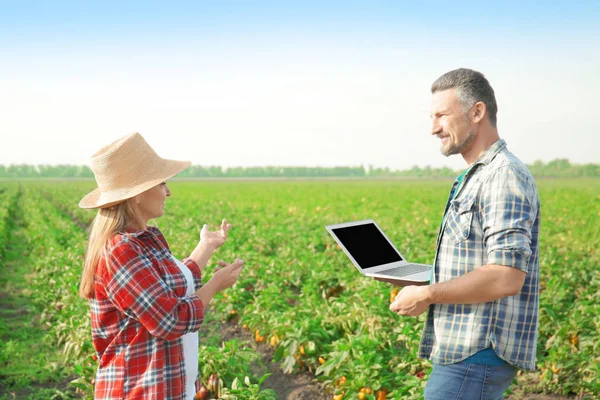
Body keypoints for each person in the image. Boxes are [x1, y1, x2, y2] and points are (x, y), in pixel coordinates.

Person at [388, 69, 541, 399]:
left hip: (477, 352)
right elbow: (477, 264)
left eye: (442, 115)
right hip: (464, 351)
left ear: (477, 112)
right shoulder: (473, 176)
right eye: (432, 117)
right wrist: (421, 280)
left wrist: (428, 295)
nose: (433, 128)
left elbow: (505, 276)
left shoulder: (503, 176)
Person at [78, 132, 244, 399]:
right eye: (162, 183)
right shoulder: (121, 250)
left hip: (169, 387)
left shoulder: (145, 239)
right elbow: (170, 318)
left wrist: (207, 246)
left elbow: (170, 287)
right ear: (137, 195)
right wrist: (215, 285)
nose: (168, 191)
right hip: (138, 391)